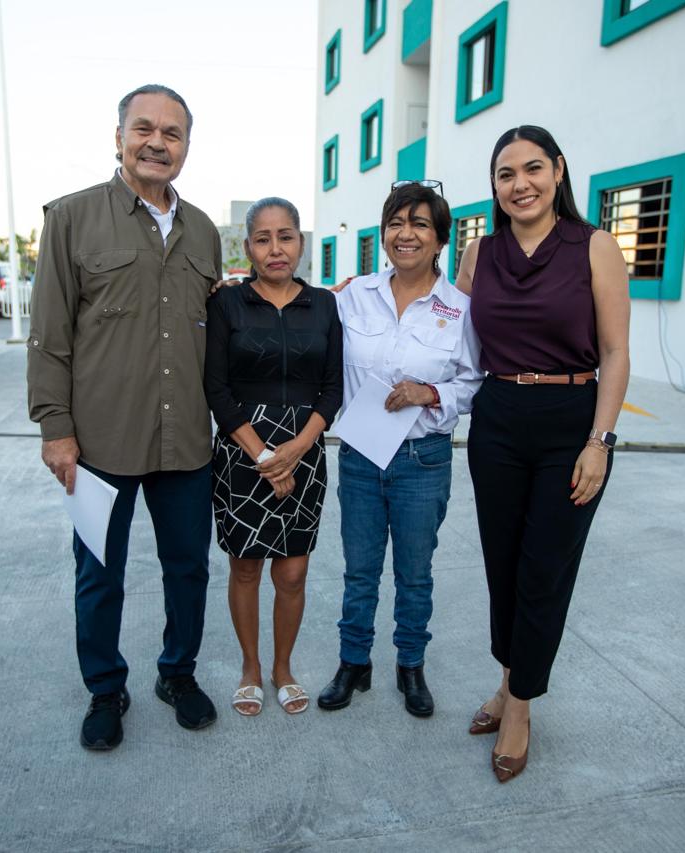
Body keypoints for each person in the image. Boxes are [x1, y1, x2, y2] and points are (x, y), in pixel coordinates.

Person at [27, 84, 223, 751]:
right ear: (118, 138)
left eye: (173, 133)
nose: (157, 142)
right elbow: (49, 334)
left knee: (188, 569)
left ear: (186, 148)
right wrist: (56, 427)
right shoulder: (73, 219)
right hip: (101, 440)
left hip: (187, 441)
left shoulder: (202, 230)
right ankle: (106, 687)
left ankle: (178, 672)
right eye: (144, 128)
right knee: (99, 571)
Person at [455, 126, 630, 782]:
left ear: (558, 170)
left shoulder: (595, 247)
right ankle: (507, 683)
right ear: (494, 185)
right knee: (503, 566)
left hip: (570, 423)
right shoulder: (481, 253)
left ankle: (520, 704)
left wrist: (600, 441)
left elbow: (615, 351)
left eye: (533, 168)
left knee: (544, 570)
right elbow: (445, 332)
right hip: (497, 421)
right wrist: (359, 299)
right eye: (506, 173)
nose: (520, 183)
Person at [317, 182, 482, 718]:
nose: (405, 234)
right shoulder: (351, 296)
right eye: (395, 223)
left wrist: (431, 392)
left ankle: (410, 666)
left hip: (423, 461)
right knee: (360, 569)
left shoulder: (461, 309)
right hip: (362, 456)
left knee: (415, 573)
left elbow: (476, 380)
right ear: (383, 233)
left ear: (440, 240)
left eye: (419, 225)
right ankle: (353, 663)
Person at [203, 197, 342, 717]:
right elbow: (215, 387)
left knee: (293, 574)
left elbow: (333, 387)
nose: (275, 248)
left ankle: (283, 668)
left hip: (305, 449)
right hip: (243, 451)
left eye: (286, 236)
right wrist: (263, 456)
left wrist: (299, 448)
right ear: (248, 247)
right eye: (263, 238)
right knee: (245, 571)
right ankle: (251, 669)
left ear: (301, 243)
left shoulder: (324, 305)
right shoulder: (228, 305)